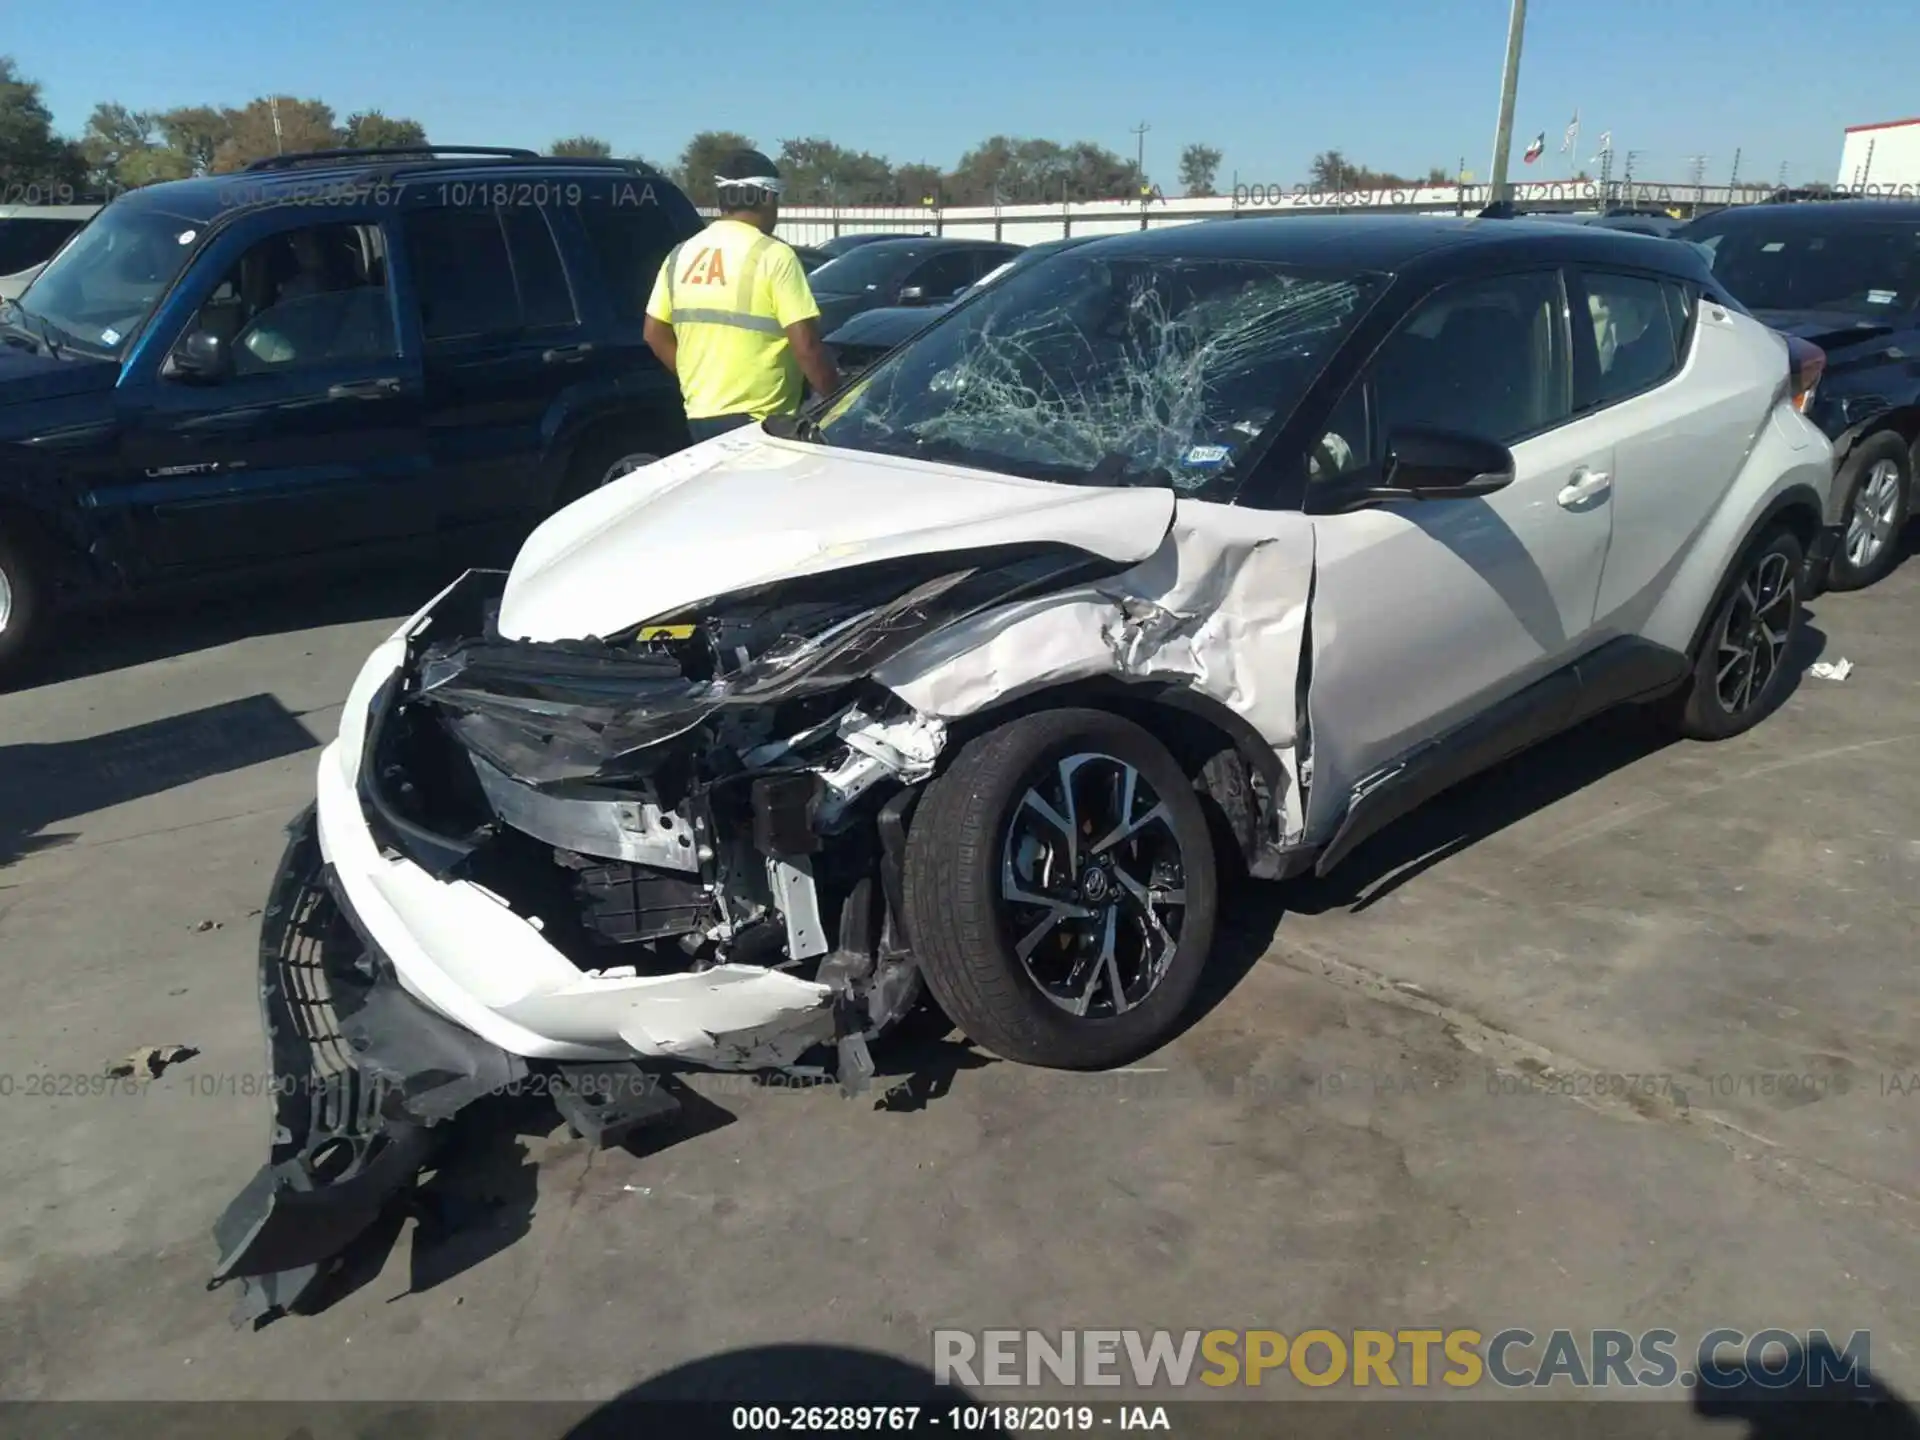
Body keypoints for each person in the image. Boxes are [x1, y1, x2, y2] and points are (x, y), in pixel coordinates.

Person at [644, 150, 841, 443]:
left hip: (700, 415)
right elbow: (807, 347)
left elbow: (653, 333)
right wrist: (838, 399)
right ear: (766, 197)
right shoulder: (774, 255)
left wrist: (695, 380)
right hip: (764, 421)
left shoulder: (681, 254)